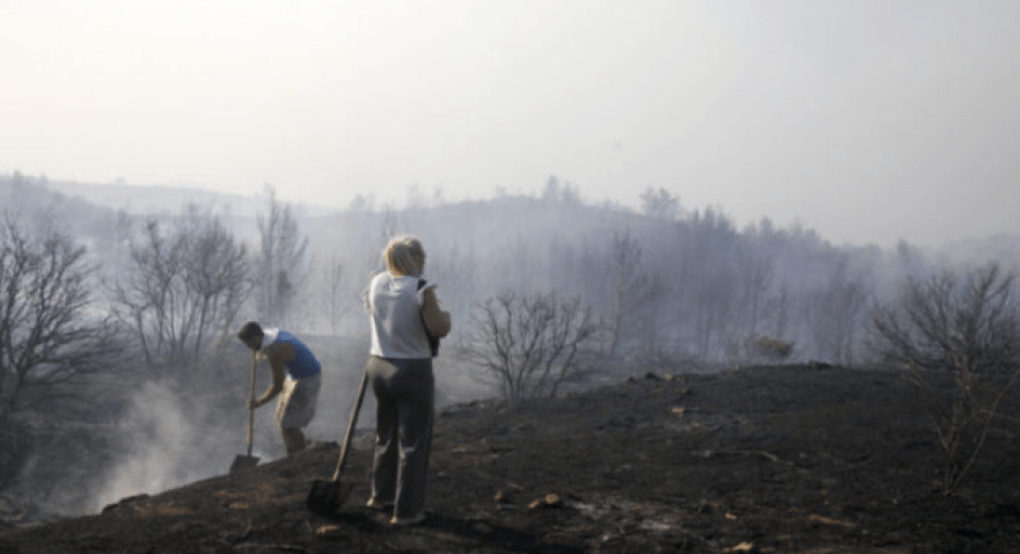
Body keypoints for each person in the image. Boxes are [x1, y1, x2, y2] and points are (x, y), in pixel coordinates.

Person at [362, 235, 451, 526]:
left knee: (385, 435)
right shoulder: (420, 289)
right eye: (422, 259)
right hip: (411, 370)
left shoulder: (376, 282)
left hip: (377, 366)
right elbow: (439, 328)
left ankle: (381, 496)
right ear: (416, 260)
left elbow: (373, 311)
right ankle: (407, 511)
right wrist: (445, 313)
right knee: (413, 443)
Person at [236, 321, 323, 456]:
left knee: (288, 423)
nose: (250, 349)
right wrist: (258, 351)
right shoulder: (270, 333)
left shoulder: (275, 350)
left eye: (249, 345)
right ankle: (298, 448)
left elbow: (277, 385)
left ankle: (297, 455)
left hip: (307, 378)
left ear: (256, 338)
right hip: (295, 374)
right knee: (281, 416)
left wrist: (259, 402)